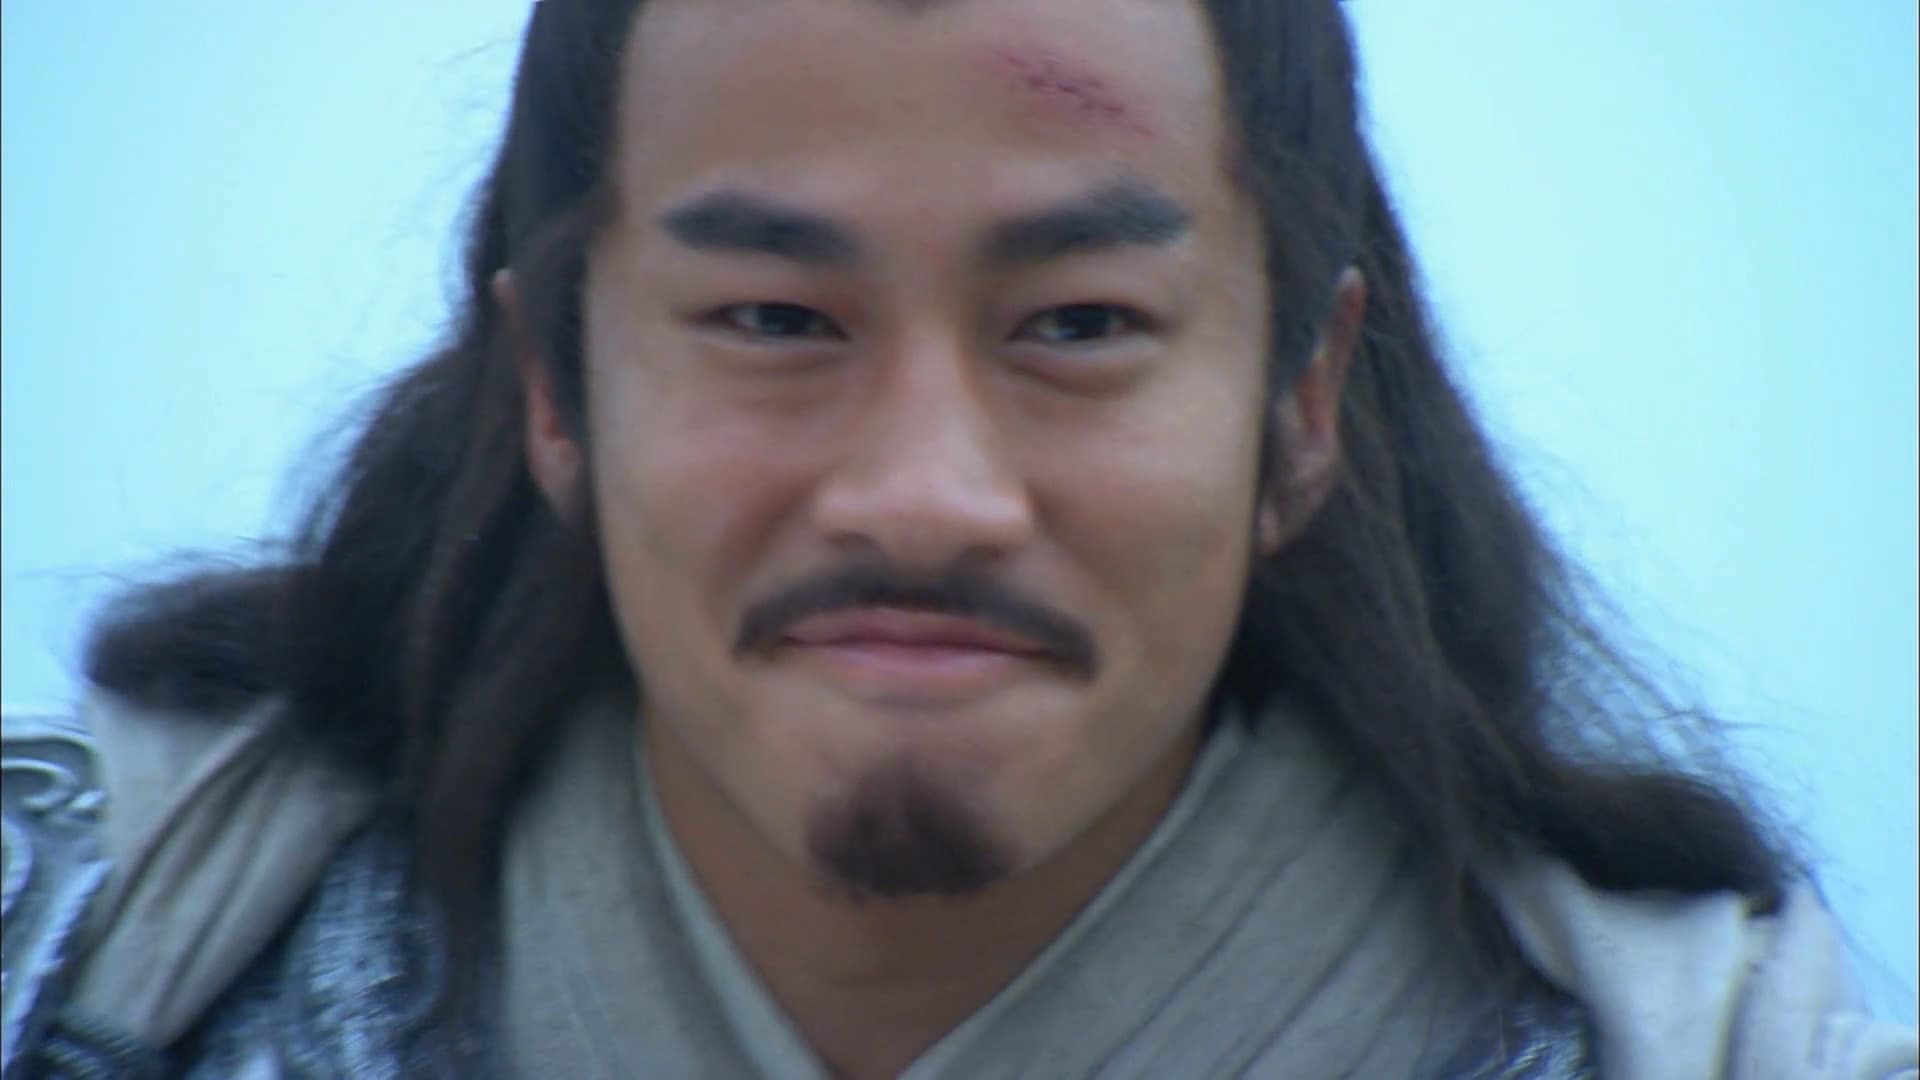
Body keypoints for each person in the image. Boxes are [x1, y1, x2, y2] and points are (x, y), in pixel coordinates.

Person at [5, 0, 1914, 1076]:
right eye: (775, 318)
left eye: (1077, 324)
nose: (925, 491)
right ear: (555, 393)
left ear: (1304, 404)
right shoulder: (84, 970)